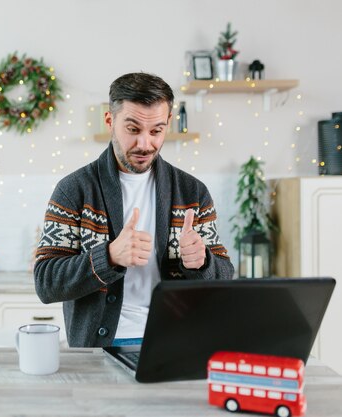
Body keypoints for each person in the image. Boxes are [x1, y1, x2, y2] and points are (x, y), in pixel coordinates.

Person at [34, 72, 234, 348]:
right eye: (133, 129)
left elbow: (224, 275)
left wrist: (202, 262)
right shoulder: (75, 190)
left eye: (156, 131)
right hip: (100, 347)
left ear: (168, 125)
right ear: (110, 121)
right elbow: (46, 282)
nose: (144, 144)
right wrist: (110, 257)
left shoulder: (192, 193)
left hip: (175, 342)